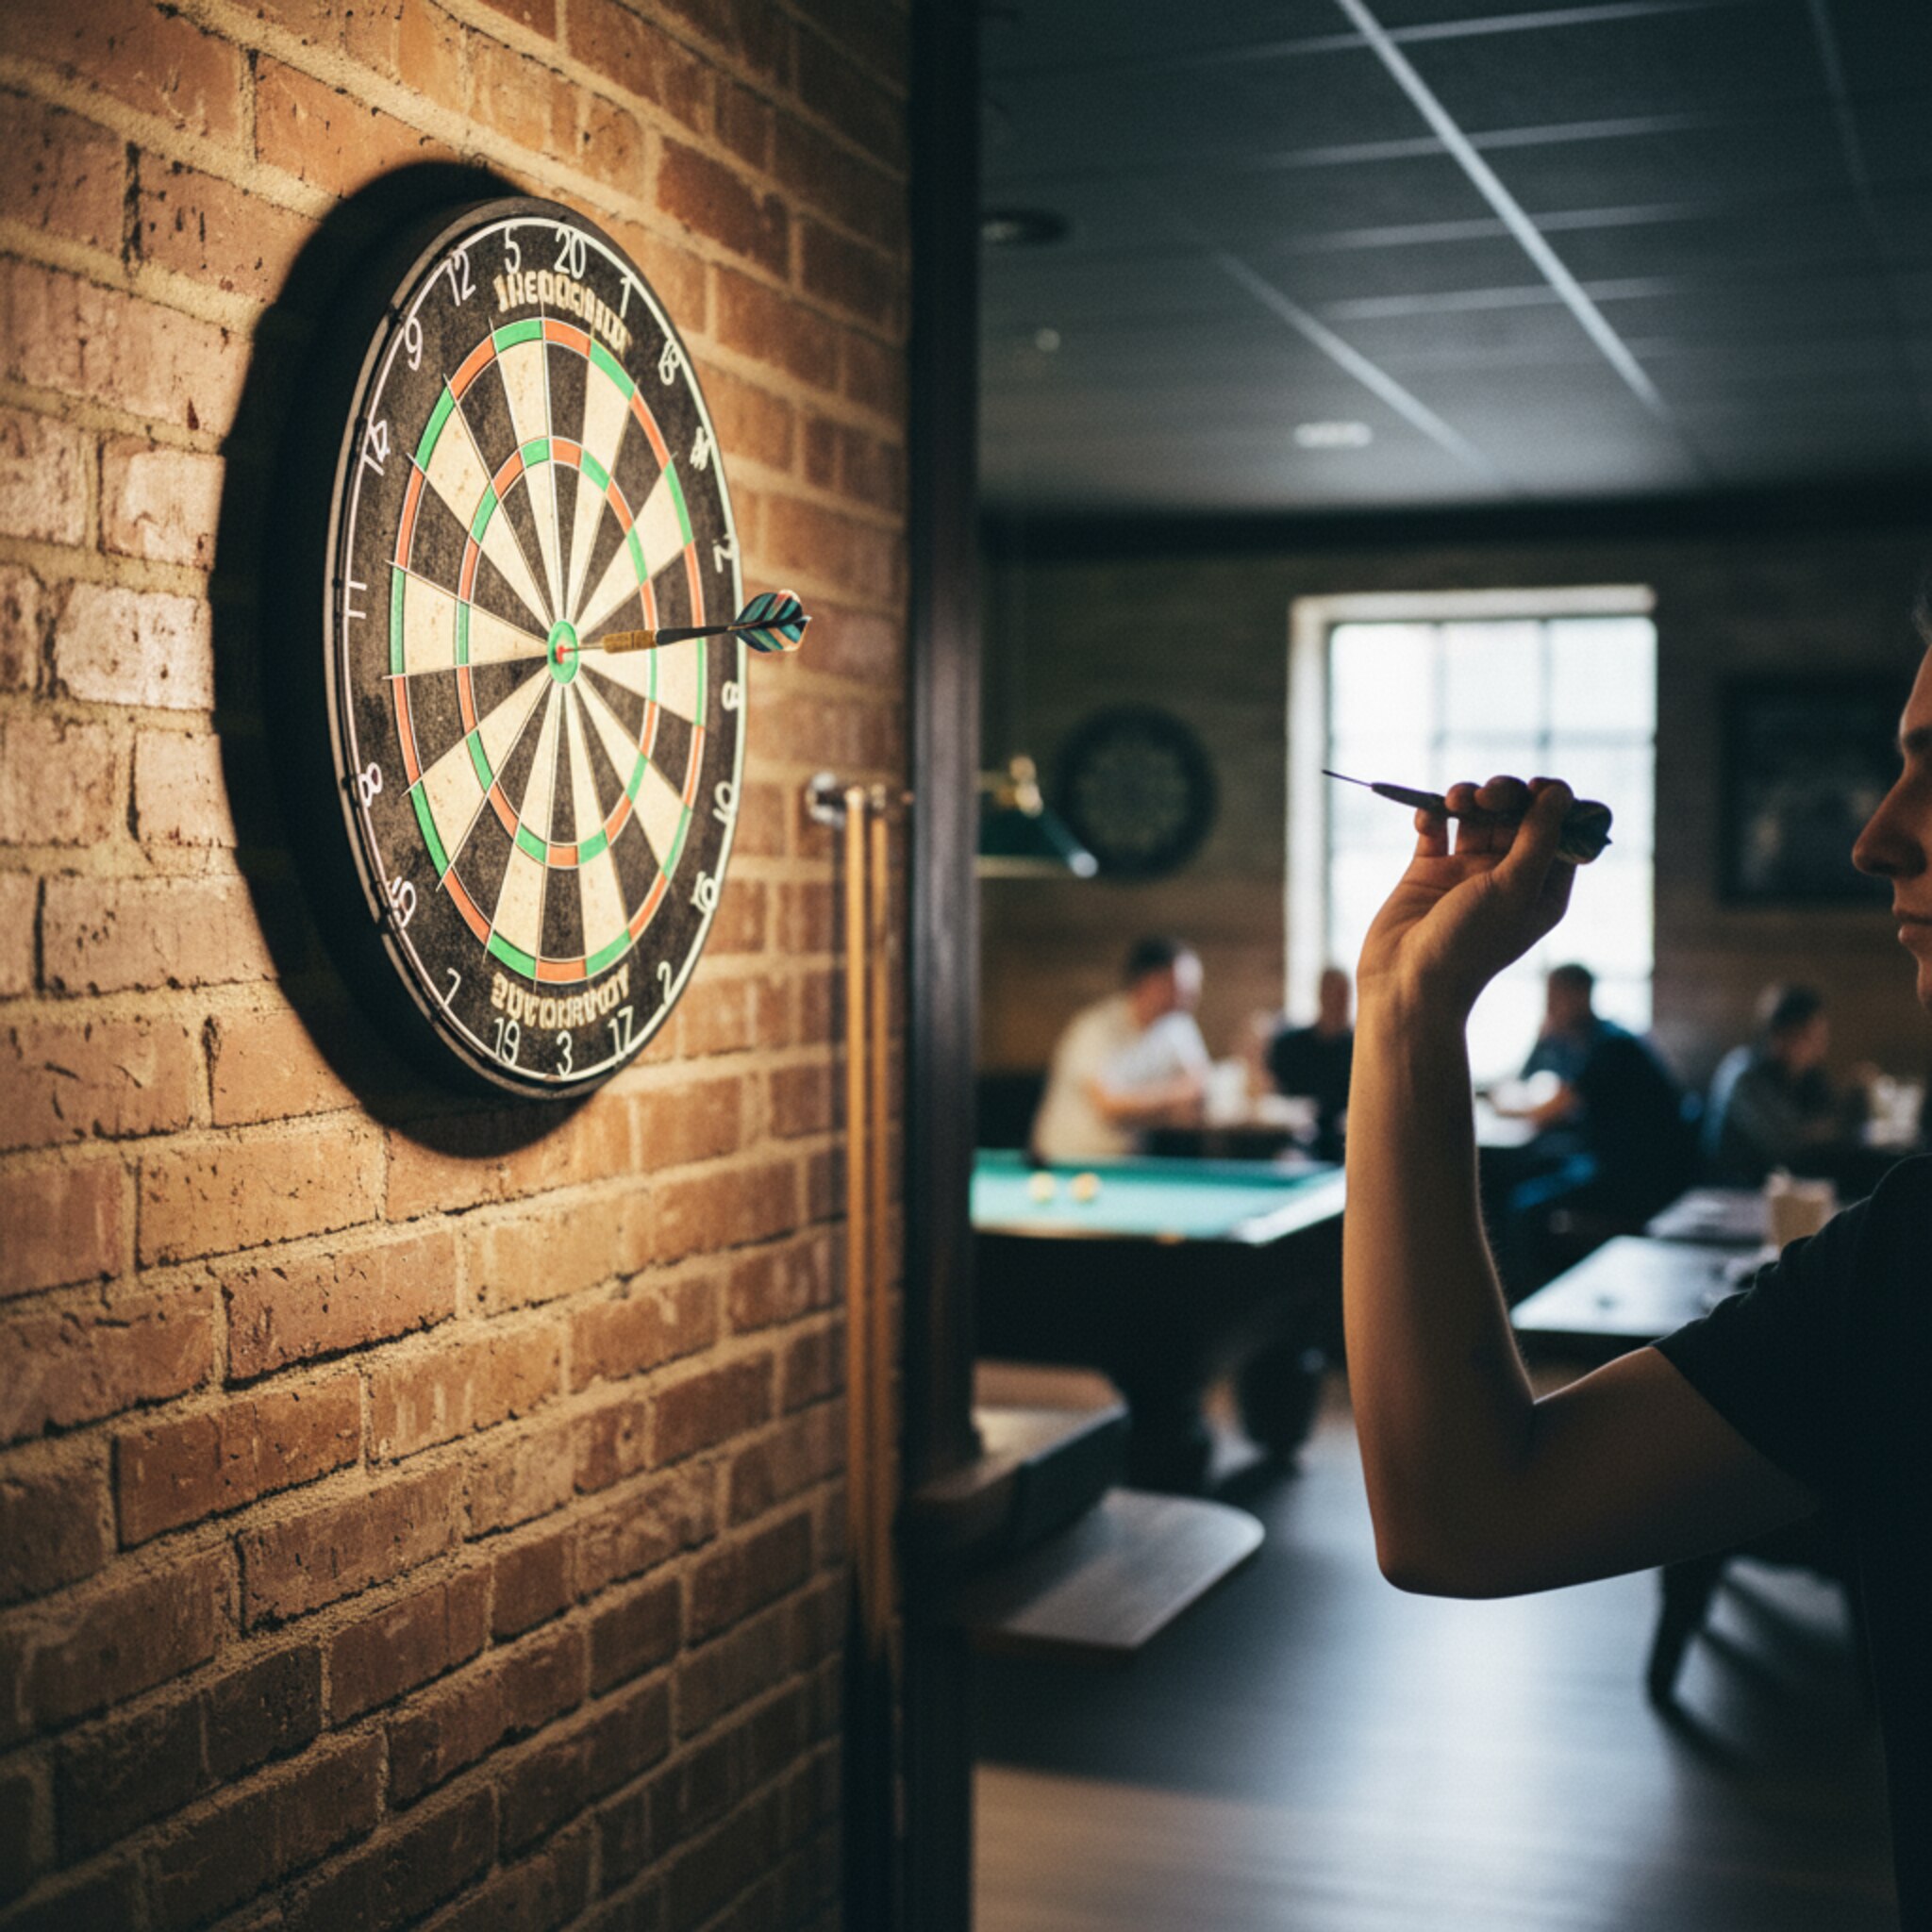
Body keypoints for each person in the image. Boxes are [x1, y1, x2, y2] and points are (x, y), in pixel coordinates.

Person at [1343, 643, 1932, 1924]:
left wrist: (1408, 1010)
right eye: (1896, 772)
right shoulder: (1906, 1258)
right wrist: (1406, 995)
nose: (1877, 837)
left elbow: (1463, 1515)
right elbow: (1461, 1518)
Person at [1491, 962, 1697, 1283]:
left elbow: (1549, 1111)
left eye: (1554, 997)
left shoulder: (1611, 1046)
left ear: (1579, 996)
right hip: (1613, 1161)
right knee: (1530, 1170)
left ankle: (1529, 1308)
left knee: (1523, 1207)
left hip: (1637, 1176)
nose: (1548, 1007)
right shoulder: (1583, 1041)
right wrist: (1542, 1041)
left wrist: (1500, 1105)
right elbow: (1529, 1080)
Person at [1030, 937, 1209, 1164]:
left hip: (1129, 1163)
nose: (1191, 997)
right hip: (1065, 1161)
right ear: (1150, 983)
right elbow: (1108, 1106)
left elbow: (1200, 1084)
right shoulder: (1094, 1028)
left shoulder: (1179, 1027)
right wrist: (1176, 1095)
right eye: (1182, 987)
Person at [1704, 982, 1867, 1186]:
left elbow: (1832, 1125)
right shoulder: (1743, 1076)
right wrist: (1840, 1117)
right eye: (1812, 1038)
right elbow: (1786, 1144)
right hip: (1738, 1192)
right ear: (1782, 1035)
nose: (1820, 1050)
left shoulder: (1808, 1077)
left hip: (1786, 1187)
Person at [1254, 964, 1355, 1159]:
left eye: (1342, 995)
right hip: (1298, 1137)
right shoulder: (1290, 1045)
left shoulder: (1360, 1047)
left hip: (1347, 1141)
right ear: (1320, 995)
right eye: (1331, 993)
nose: (1336, 1001)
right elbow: (1269, 1091)